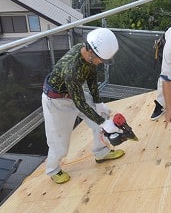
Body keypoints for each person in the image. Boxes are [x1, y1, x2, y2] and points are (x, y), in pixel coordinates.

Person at [42, 27, 124, 184]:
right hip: (57, 101)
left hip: (74, 93)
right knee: (59, 143)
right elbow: (80, 104)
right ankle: (53, 169)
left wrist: (98, 102)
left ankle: (101, 153)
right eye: (102, 59)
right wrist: (103, 122)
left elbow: (92, 77)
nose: (102, 63)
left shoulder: (88, 55)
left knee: (102, 116)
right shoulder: (71, 69)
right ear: (92, 52)